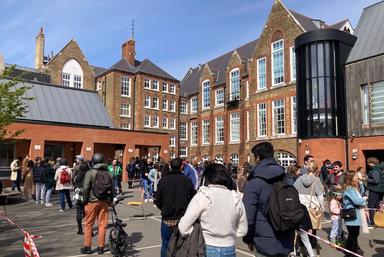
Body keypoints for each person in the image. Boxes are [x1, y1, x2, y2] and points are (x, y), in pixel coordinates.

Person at [178, 163, 248, 257]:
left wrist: (198, 233)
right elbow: (243, 230)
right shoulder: (235, 197)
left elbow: (183, 227)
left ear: (207, 178)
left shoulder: (203, 195)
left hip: (206, 246)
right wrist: (229, 232)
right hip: (229, 248)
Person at [243, 142, 295, 257]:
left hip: (264, 242)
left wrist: (248, 239)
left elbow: (248, 216)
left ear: (257, 158)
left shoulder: (254, 182)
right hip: (286, 237)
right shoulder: (285, 177)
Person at [154, 157, 196, 257]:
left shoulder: (163, 180)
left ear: (170, 166)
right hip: (182, 218)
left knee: (165, 245)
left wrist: (164, 208)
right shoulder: (187, 181)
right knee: (181, 245)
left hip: (168, 217)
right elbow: (193, 199)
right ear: (181, 166)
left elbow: (157, 200)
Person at [81, 153, 114, 255]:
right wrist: (111, 201)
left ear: (94, 161)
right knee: (102, 225)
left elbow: (86, 188)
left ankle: (87, 247)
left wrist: (84, 200)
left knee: (88, 225)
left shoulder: (90, 172)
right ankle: (101, 248)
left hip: (92, 201)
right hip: (104, 202)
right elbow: (112, 189)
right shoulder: (109, 173)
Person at [294, 162, 325, 254]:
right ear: (316, 171)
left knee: (301, 230)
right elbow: (320, 196)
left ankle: (301, 248)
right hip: (312, 208)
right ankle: (311, 251)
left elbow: (293, 190)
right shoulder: (316, 180)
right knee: (312, 230)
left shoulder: (299, 179)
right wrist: (322, 208)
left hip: (300, 207)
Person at [342, 170, 367, 257]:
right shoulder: (349, 188)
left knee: (355, 234)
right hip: (352, 215)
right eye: (355, 176)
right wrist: (364, 200)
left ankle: (353, 251)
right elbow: (357, 201)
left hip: (355, 215)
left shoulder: (354, 187)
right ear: (350, 178)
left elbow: (361, 193)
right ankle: (349, 253)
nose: (357, 177)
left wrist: (360, 183)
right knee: (352, 235)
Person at [365, 157, 384, 226]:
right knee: (377, 206)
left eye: (368, 163)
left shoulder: (375, 170)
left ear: (371, 163)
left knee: (371, 206)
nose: (368, 164)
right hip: (379, 190)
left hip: (374, 190)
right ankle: (378, 221)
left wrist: (366, 179)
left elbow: (376, 181)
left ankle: (373, 222)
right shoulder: (379, 169)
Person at [73, 163, 89, 235]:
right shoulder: (89, 176)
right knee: (88, 213)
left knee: (78, 212)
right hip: (87, 194)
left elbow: (74, 183)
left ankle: (80, 229)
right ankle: (89, 230)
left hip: (79, 194)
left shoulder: (77, 176)